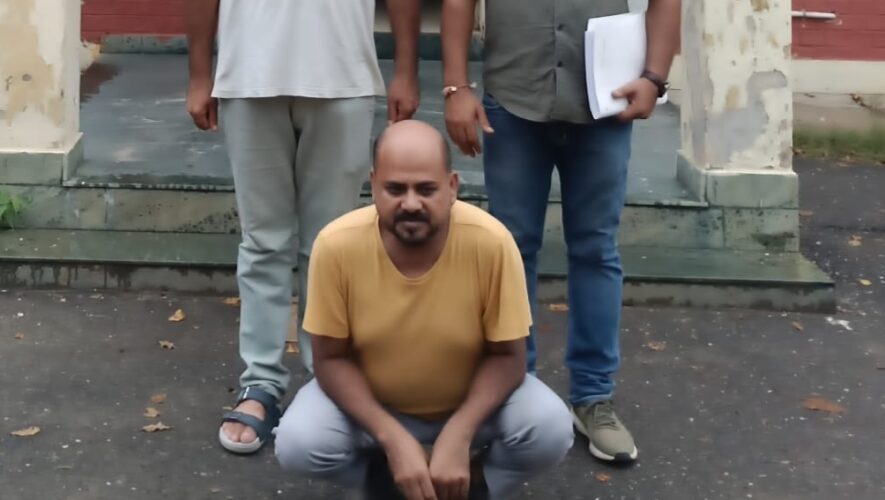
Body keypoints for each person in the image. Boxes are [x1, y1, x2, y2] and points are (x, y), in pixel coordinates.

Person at [274, 120, 574, 500]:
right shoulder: (336, 246)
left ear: (452, 187)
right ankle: (381, 483)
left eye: (426, 189)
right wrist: (392, 438)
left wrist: (459, 434)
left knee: (550, 428)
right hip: (373, 408)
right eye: (395, 189)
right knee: (298, 442)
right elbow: (330, 359)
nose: (411, 203)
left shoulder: (492, 243)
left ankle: (474, 485)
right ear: (373, 184)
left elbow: (508, 358)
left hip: (471, 407)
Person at [441, 0, 681, 463]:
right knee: (511, 251)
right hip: (513, 102)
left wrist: (654, 78)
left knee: (596, 250)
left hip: (605, 104)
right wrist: (456, 86)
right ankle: (513, 391)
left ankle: (593, 398)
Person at [184, 0, 422, 454]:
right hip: (249, 74)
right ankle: (261, 384)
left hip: (343, 74)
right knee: (263, 243)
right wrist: (199, 73)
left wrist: (406, 69)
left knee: (331, 247)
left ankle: (330, 380)